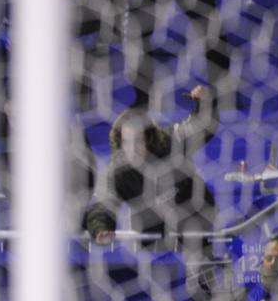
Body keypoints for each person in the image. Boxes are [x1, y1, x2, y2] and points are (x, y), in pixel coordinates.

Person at [84, 85, 218, 248]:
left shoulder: (171, 143)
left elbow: (201, 127)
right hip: (151, 229)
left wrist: (204, 102)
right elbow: (102, 205)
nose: (133, 149)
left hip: (194, 216)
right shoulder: (117, 172)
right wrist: (101, 228)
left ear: (149, 139)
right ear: (120, 143)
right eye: (127, 142)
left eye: (138, 140)